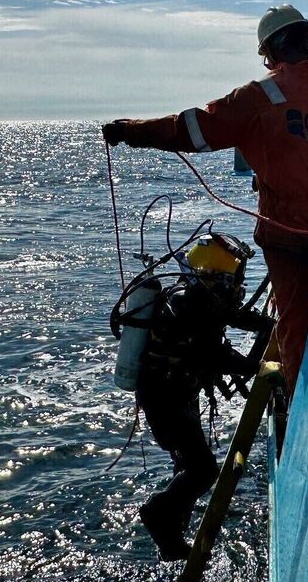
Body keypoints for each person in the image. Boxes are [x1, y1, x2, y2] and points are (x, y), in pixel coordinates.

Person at [103, 4, 308, 398]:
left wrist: (129, 132)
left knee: (297, 324)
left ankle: (305, 403)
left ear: (270, 51)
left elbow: (190, 129)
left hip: (288, 236)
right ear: (306, 38)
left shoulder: (261, 96)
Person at [121, 233, 268, 561]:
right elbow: (223, 358)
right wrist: (263, 361)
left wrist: (265, 324)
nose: (236, 288)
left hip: (177, 393)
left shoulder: (196, 298)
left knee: (188, 465)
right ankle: (158, 512)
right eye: (232, 281)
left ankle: (171, 538)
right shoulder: (189, 308)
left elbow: (231, 316)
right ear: (216, 280)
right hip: (165, 399)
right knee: (202, 470)